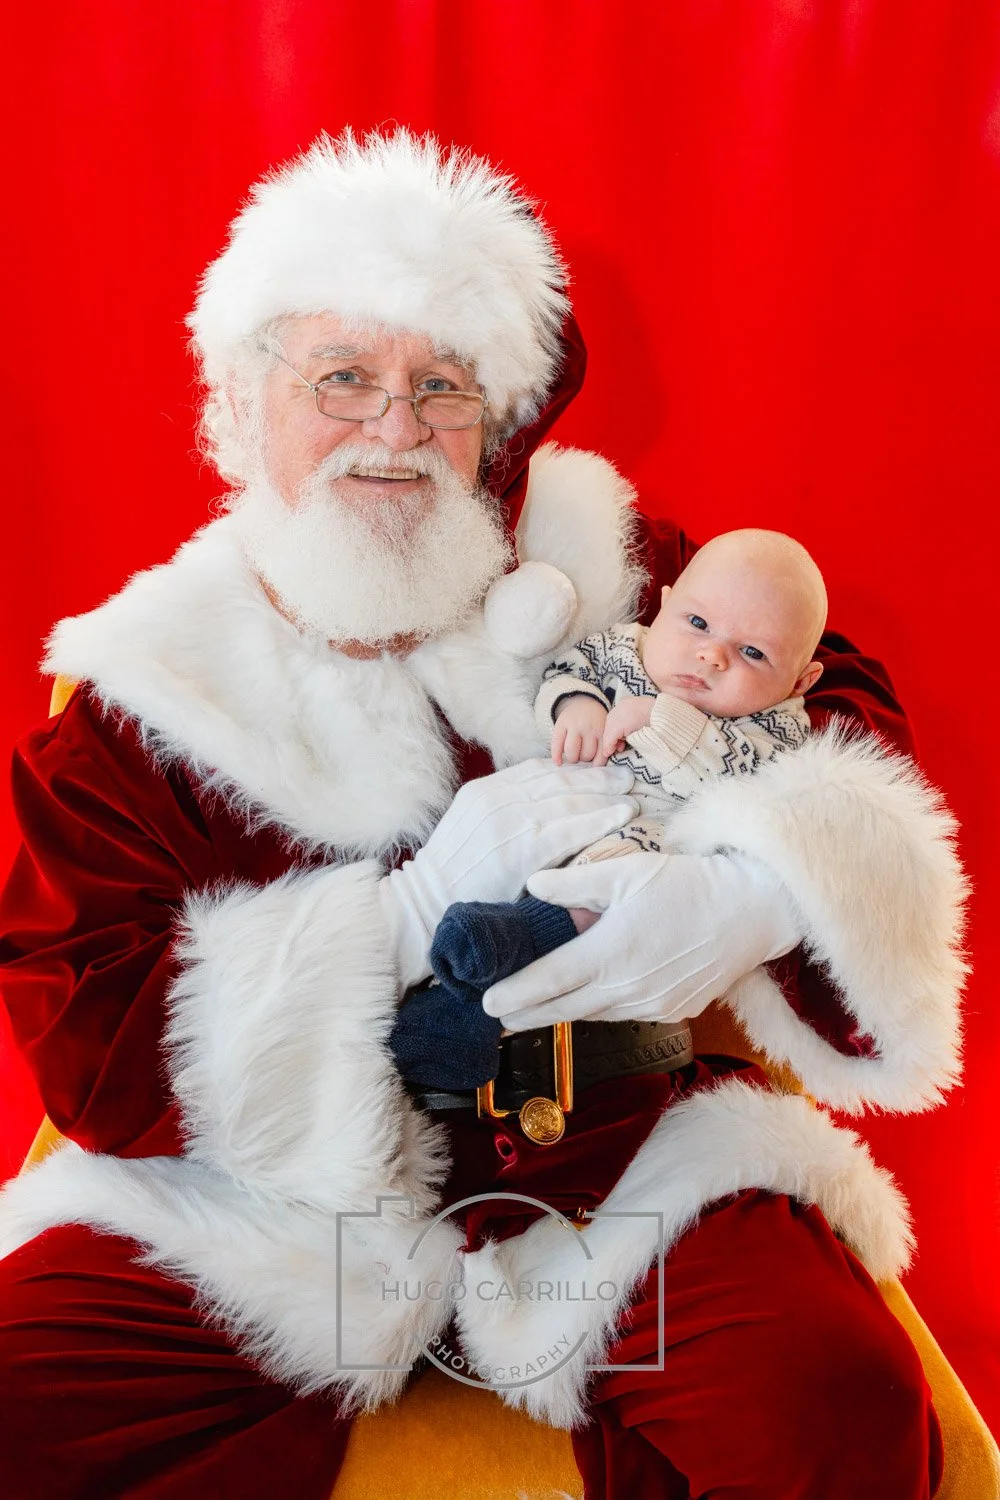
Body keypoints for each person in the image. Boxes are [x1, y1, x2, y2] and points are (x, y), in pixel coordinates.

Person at [0, 130, 965, 1500]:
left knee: (830, 1406)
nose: (395, 431)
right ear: (243, 396)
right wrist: (390, 926)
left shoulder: (612, 566)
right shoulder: (145, 693)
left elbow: (827, 685)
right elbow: (88, 1026)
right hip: (263, 1211)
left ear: (496, 413)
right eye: (344, 378)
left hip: (622, 1168)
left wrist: (761, 883)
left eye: (439, 387)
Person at [399, 527, 826, 1093]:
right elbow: (568, 673)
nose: (712, 655)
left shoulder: (777, 727)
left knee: (615, 908)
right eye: (697, 623)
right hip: (556, 820)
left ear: (801, 681)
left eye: (753, 653)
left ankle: (490, 980)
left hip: (655, 852)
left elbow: (747, 773)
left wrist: (662, 717)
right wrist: (575, 706)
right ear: (666, 602)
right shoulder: (623, 648)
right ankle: (456, 998)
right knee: (504, 871)